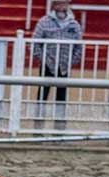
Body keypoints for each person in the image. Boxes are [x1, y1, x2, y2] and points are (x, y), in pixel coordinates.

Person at [32, 0, 82, 129]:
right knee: (42, 96)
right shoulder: (43, 22)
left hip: (64, 67)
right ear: (54, 5)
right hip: (47, 64)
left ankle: (59, 129)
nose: (61, 6)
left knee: (61, 98)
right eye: (59, 3)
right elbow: (34, 43)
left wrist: (71, 62)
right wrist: (44, 59)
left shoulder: (74, 24)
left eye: (64, 3)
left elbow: (79, 47)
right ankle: (38, 128)